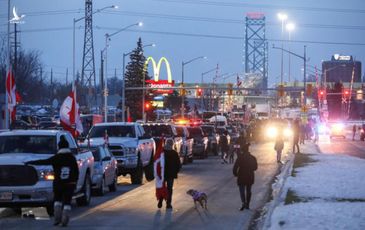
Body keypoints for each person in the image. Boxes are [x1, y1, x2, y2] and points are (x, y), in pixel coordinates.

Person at [25, 136, 79, 227]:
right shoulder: (72, 158)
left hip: (58, 183)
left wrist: (30, 162)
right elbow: (76, 171)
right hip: (70, 184)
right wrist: (75, 182)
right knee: (67, 202)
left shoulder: (56, 158)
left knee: (57, 200)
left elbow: (44, 161)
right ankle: (65, 220)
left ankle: (57, 219)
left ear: (59, 147)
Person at [157, 138, 181, 209]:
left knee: (162, 188)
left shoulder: (161, 152)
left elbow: (157, 163)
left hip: (162, 174)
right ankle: (168, 204)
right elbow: (178, 164)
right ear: (172, 144)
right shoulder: (174, 153)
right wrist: (176, 172)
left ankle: (160, 201)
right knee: (169, 189)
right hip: (171, 175)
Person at [233, 143, 258, 211]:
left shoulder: (240, 158)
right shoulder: (253, 157)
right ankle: (248, 204)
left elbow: (235, 167)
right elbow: (255, 167)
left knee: (242, 190)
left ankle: (243, 202)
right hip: (250, 176)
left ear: (242, 151)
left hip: (241, 176)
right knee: (248, 190)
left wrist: (235, 174)